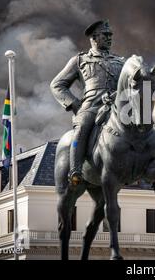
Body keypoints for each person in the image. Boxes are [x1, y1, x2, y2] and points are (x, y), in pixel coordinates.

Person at [51, 20, 125, 186]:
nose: (109, 38)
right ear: (94, 37)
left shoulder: (121, 62)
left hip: (116, 107)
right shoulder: (80, 60)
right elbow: (57, 85)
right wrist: (75, 104)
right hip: (92, 106)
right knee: (82, 126)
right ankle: (75, 170)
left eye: (111, 35)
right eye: (105, 35)